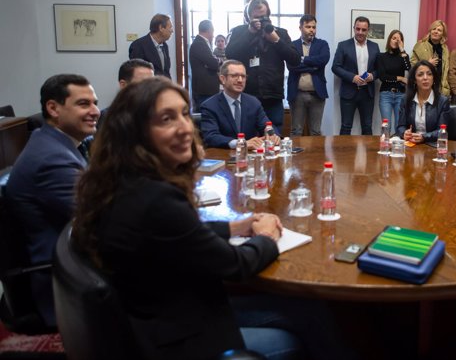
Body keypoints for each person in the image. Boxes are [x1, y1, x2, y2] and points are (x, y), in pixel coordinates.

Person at [70, 77, 339, 360]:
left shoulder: (122, 183)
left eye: (185, 114)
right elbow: (235, 266)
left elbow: (181, 233)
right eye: (166, 119)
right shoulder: (156, 200)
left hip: (161, 311)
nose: (185, 128)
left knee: (305, 309)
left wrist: (236, 226)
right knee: (311, 315)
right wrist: (266, 236)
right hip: (185, 337)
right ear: (134, 132)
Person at [5, 74, 100, 326]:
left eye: (95, 103)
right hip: (64, 281)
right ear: (53, 108)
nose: (95, 111)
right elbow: (103, 222)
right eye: (84, 104)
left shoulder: (54, 143)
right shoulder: (52, 160)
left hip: (74, 258)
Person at [225, 0, 301, 134]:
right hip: (247, 95)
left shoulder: (280, 33)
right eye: (256, 18)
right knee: (248, 136)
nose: (260, 21)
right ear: (248, 17)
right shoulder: (239, 32)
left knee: (274, 137)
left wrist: (276, 40)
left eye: (263, 17)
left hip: (273, 95)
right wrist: (249, 32)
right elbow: (230, 53)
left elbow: (295, 60)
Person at [200, 60, 280, 150]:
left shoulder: (253, 102)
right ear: (223, 79)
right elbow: (211, 137)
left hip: (251, 158)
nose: (240, 80)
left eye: (243, 76)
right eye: (234, 76)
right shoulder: (210, 106)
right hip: (224, 157)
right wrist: (240, 143)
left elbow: (267, 125)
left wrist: (272, 135)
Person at [331, 16, 380, 135]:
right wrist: (352, 77)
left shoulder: (375, 46)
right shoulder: (343, 45)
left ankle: (368, 154)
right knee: (346, 127)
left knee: (367, 127)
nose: (360, 32)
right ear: (354, 28)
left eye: (364, 30)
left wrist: (372, 76)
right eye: (358, 29)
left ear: (368, 30)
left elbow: (380, 69)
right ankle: (343, 153)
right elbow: (335, 67)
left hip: (367, 93)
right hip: (348, 92)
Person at [287, 14, 330, 136]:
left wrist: (302, 59)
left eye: (314, 27)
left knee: (316, 131)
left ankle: (316, 156)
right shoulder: (292, 45)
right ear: (300, 28)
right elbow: (291, 66)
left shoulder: (322, 44)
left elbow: (323, 60)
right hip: (297, 93)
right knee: (296, 130)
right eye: (308, 27)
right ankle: (294, 155)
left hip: (317, 94)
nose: (312, 30)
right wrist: (314, 66)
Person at [395, 60, 450, 143]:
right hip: (411, 145)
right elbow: (400, 126)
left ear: (433, 78)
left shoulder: (442, 101)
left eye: (429, 74)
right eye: (420, 75)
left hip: (433, 146)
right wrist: (404, 133)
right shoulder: (406, 99)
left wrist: (424, 137)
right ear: (414, 80)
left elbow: (442, 131)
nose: (425, 78)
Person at [98, 59, 154, 127]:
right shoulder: (108, 117)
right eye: (143, 83)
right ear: (123, 85)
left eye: (152, 83)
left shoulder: (157, 114)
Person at [376, 30, 410, 129]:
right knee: (386, 126)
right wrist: (400, 78)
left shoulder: (403, 57)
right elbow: (383, 77)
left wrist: (402, 49)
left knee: (400, 126)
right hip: (386, 95)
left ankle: (398, 145)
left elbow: (408, 68)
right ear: (389, 40)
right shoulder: (381, 56)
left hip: (400, 95)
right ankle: (385, 144)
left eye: (399, 40)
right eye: (394, 38)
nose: (396, 41)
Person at [411, 20, 450, 96]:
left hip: (440, 89)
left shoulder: (445, 49)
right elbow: (412, 65)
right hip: (423, 87)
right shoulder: (420, 45)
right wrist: (427, 64)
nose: (436, 31)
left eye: (439, 30)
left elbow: (446, 69)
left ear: (443, 34)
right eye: (434, 29)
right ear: (430, 31)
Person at [189, 19, 221, 111]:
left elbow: (210, 62)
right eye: (213, 31)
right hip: (204, 90)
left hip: (205, 90)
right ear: (210, 30)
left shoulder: (201, 43)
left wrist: (213, 61)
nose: (213, 35)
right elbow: (214, 64)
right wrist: (217, 60)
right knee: (205, 117)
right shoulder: (199, 43)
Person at [129, 13, 173, 78]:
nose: (172, 31)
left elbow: (165, 72)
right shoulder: (138, 46)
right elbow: (138, 74)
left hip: (162, 86)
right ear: (161, 28)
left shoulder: (164, 45)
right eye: (170, 27)